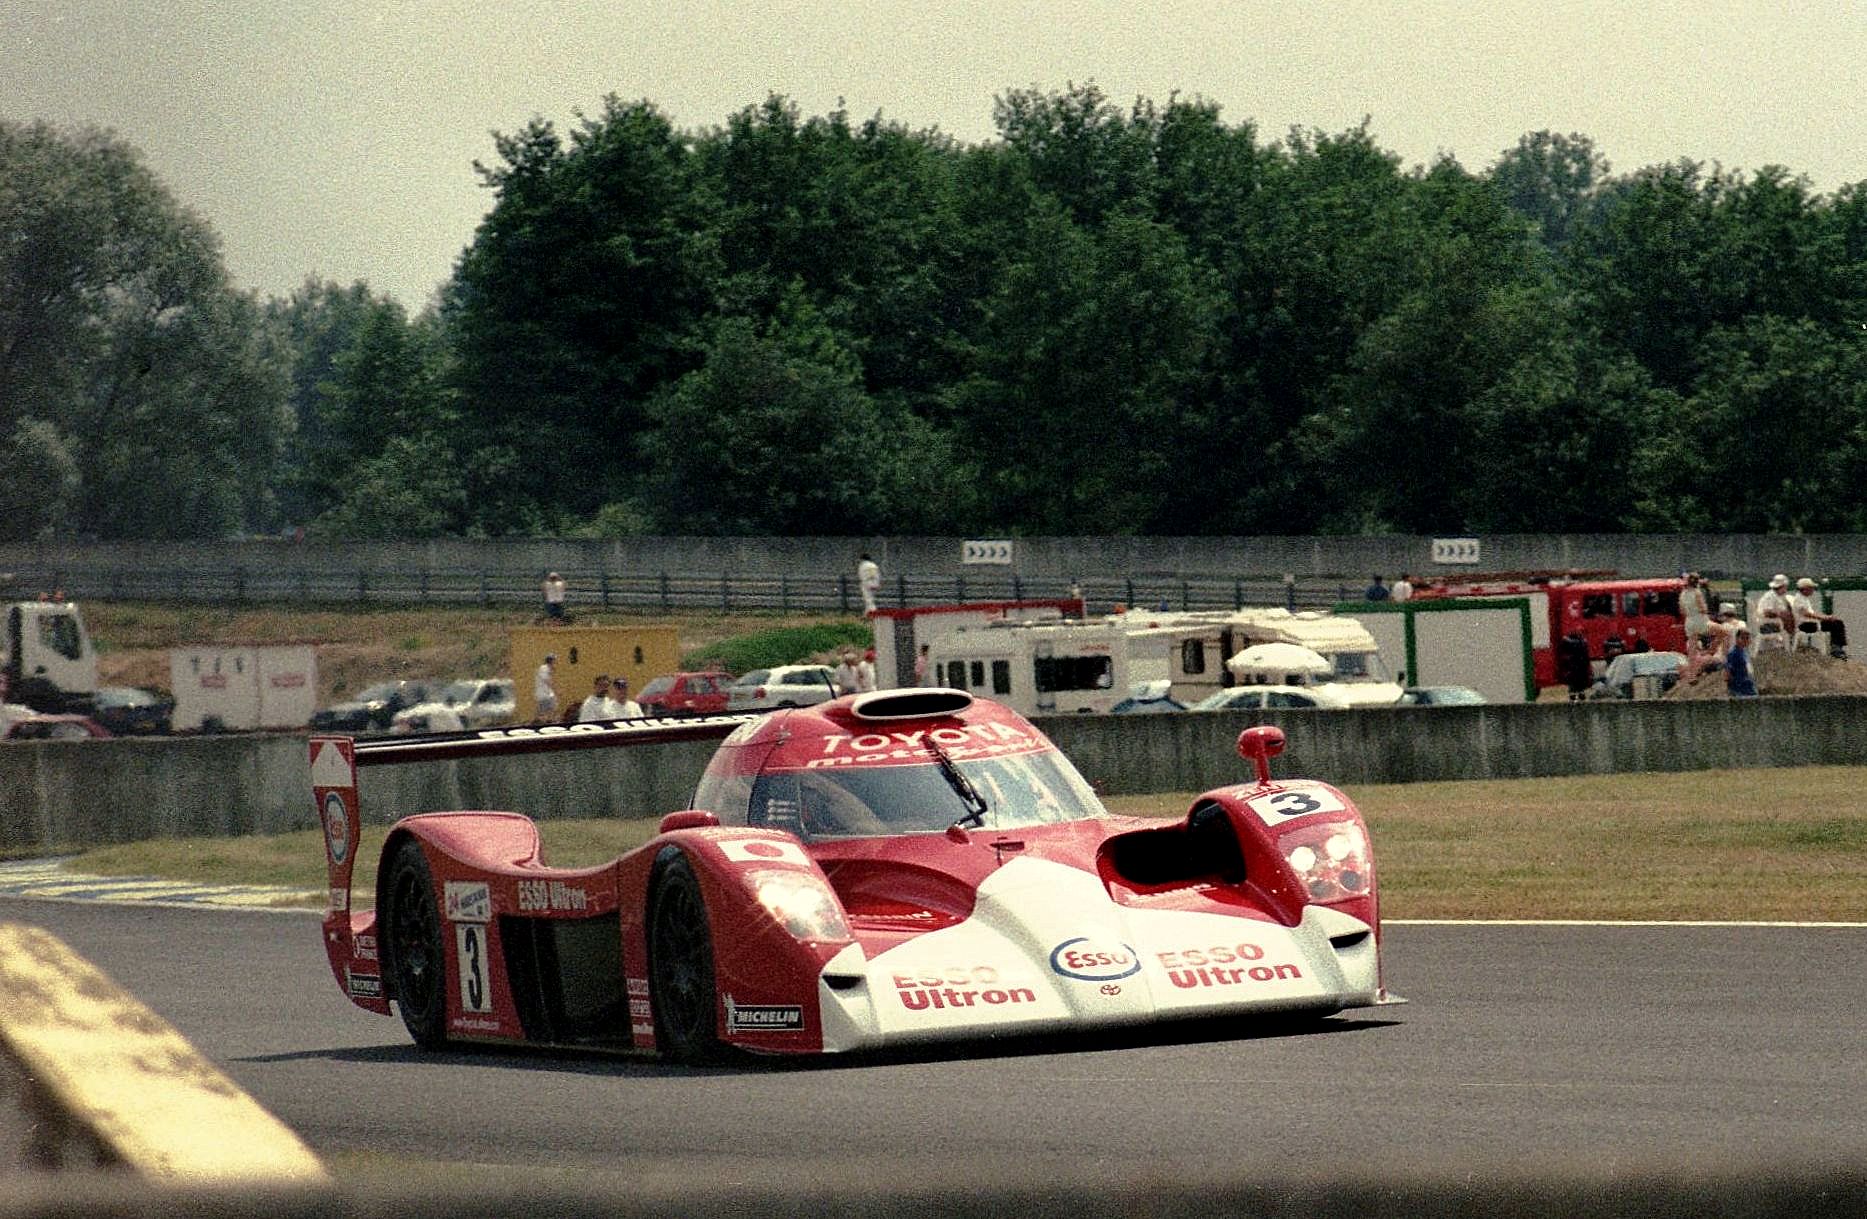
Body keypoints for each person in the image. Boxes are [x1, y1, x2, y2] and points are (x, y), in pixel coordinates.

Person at [1790, 577, 1849, 659]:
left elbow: (1809, 614)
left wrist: (1824, 617)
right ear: (1805, 589)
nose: (1813, 590)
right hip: (1805, 625)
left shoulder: (1803, 598)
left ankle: (1837, 647)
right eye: (1811, 588)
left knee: (1837, 622)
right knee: (1837, 623)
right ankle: (1836, 649)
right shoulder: (1799, 599)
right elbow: (1806, 614)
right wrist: (1825, 618)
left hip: (1808, 623)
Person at [1755, 575, 1795, 650]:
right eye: (1785, 587)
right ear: (1782, 586)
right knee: (1788, 616)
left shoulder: (1778, 596)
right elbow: (1767, 612)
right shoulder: (1770, 596)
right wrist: (1780, 615)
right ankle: (1791, 642)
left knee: (1790, 615)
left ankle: (1791, 641)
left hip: (1771, 622)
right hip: (1766, 624)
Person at [1725, 628, 1758, 697]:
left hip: (1749, 689)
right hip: (1740, 691)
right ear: (1737, 638)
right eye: (1742, 638)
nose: (1745, 640)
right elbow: (1728, 673)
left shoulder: (1745, 652)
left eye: (1747, 638)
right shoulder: (1733, 653)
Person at [533, 653, 558, 721]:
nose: (555, 663)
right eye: (554, 661)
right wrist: (556, 689)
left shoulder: (546, 669)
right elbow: (547, 680)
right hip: (544, 695)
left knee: (552, 709)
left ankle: (549, 721)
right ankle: (544, 722)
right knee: (544, 712)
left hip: (547, 694)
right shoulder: (544, 668)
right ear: (551, 661)